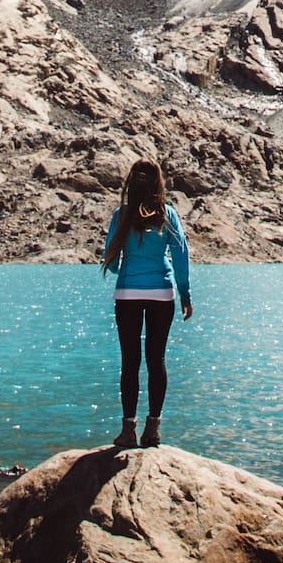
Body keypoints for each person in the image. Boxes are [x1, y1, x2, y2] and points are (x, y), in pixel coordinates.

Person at [100, 158, 192, 449]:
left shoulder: (122, 215)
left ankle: (128, 430)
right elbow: (181, 256)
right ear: (158, 184)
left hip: (128, 293)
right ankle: (153, 430)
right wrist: (185, 294)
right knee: (156, 360)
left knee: (130, 362)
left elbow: (111, 262)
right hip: (161, 294)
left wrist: (126, 267)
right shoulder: (168, 215)